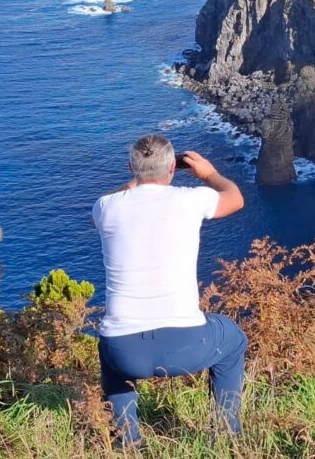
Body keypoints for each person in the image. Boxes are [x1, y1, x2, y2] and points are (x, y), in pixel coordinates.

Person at [92, 134, 247, 445]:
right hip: (186, 347)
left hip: (126, 353)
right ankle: (229, 435)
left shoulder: (105, 207)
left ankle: (128, 442)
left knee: (108, 349)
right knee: (233, 340)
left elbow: (122, 196)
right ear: (173, 170)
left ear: (130, 168)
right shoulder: (191, 198)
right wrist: (208, 174)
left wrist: (142, 178)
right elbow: (235, 197)